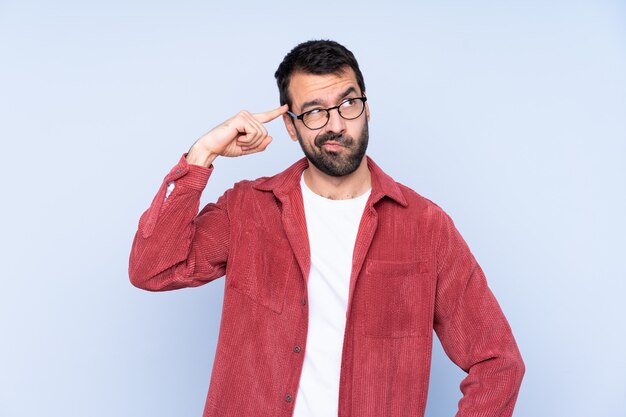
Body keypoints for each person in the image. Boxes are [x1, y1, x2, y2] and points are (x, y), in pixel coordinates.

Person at [129, 39, 525, 417]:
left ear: (367, 108)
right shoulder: (248, 209)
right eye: (315, 111)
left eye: (348, 104)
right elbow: (153, 268)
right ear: (291, 125)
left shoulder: (426, 226)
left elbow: (498, 362)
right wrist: (203, 155)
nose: (336, 125)